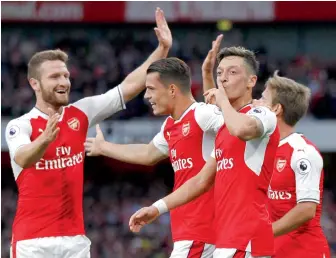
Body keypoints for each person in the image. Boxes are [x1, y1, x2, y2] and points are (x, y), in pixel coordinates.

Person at [5, 8, 172, 258]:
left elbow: (126, 88)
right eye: (54, 77)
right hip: (32, 242)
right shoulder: (21, 125)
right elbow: (22, 158)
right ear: (34, 83)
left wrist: (162, 51)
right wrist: (45, 139)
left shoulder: (80, 112)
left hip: (75, 240)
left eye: (65, 75)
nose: (64, 82)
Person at [129, 46, 280, 258]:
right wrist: (157, 208)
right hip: (225, 240)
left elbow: (242, 129)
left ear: (251, 81)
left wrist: (222, 101)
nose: (224, 79)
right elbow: (200, 181)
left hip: (248, 240)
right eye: (220, 73)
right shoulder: (223, 130)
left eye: (233, 72)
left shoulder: (262, 113)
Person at [84, 51, 224, 256]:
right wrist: (103, 147)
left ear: (172, 90)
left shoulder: (202, 114)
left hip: (202, 229)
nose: (146, 96)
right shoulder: (170, 125)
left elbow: (236, 128)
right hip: (189, 230)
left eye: (150, 89)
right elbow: (149, 153)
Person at [253, 72, 330, 258]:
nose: (256, 102)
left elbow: (306, 210)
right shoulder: (263, 150)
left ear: (276, 109)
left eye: (263, 98)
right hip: (274, 251)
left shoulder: (303, 152)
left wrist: (260, 235)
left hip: (304, 251)